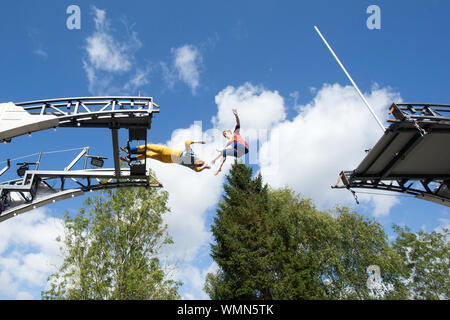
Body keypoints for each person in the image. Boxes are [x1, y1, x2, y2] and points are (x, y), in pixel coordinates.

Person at [120, 140, 211, 172]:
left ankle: (129, 150)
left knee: (148, 147)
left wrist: (198, 142)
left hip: (167, 153)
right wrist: (204, 167)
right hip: (166, 161)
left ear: (197, 161)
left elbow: (187, 142)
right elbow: (197, 171)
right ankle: (130, 159)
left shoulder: (191, 156)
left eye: (199, 160)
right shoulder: (192, 166)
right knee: (147, 155)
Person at [211, 108, 248, 175]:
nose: (226, 136)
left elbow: (238, 123)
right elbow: (221, 153)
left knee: (233, 143)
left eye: (225, 134)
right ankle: (219, 168)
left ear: (229, 132)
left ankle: (224, 149)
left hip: (244, 148)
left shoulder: (235, 133)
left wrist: (236, 115)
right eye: (224, 136)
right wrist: (215, 159)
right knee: (224, 152)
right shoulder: (229, 143)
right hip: (238, 153)